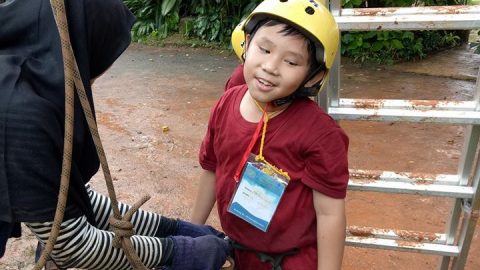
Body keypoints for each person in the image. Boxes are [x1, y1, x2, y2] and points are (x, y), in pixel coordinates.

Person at [0, 0, 230, 269]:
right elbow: (72, 247)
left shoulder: (32, 82)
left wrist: (170, 228)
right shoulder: (21, 113)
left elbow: (75, 202)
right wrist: (178, 251)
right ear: (85, 46)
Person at [191, 0, 349, 269]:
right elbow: (211, 170)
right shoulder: (226, 103)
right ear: (247, 42)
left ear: (312, 77)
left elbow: (330, 213)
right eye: (264, 49)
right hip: (237, 253)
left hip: (291, 261)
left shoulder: (321, 135)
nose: (271, 66)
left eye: (290, 61)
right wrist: (190, 235)